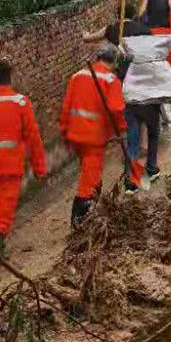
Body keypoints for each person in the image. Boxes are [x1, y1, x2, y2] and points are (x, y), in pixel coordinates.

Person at [0, 60, 47, 285]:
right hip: (9, 168)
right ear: (9, 78)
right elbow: (33, 138)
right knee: (2, 217)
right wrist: (40, 168)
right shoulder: (20, 102)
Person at [60, 44, 126, 227]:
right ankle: (80, 219)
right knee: (90, 177)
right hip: (93, 137)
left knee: (89, 170)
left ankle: (94, 198)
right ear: (114, 61)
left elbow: (66, 106)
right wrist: (121, 129)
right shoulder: (111, 80)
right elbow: (116, 109)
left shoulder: (77, 76)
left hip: (74, 133)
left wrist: (64, 131)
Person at [121, 34, 171, 194]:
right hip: (149, 107)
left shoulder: (131, 63)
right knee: (153, 134)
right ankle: (151, 168)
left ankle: (130, 182)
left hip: (131, 105)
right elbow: (167, 89)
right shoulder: (158, 65)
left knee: (132, 143)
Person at [83, 3, 151, 81]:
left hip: (117, 71)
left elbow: (88, 39)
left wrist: (86, 34)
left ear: (118, 15)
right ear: (134, 15)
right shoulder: (145, 29)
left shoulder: (111, 29)